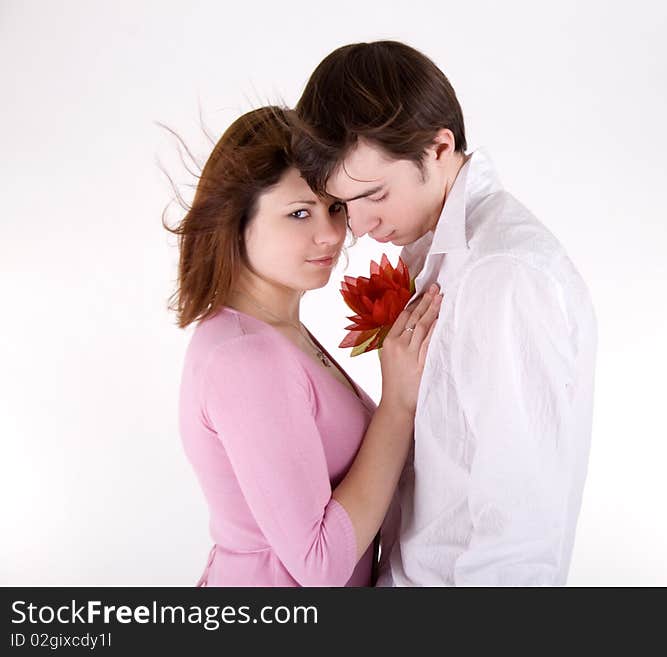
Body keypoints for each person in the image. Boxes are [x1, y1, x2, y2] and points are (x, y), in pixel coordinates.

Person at [291, 41, 598, 586]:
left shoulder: (501, 275)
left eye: (375, 195)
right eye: (345, 204)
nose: (358, 227)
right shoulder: (444, 260)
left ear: (438, 148)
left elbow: (520, 532)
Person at [166, 106, 442, 586]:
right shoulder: (246, 358)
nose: (331, 234)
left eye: (335, 207)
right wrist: (397, 402)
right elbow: (321, 564)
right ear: (237, 220)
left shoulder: (274, 332)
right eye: (299, 213)